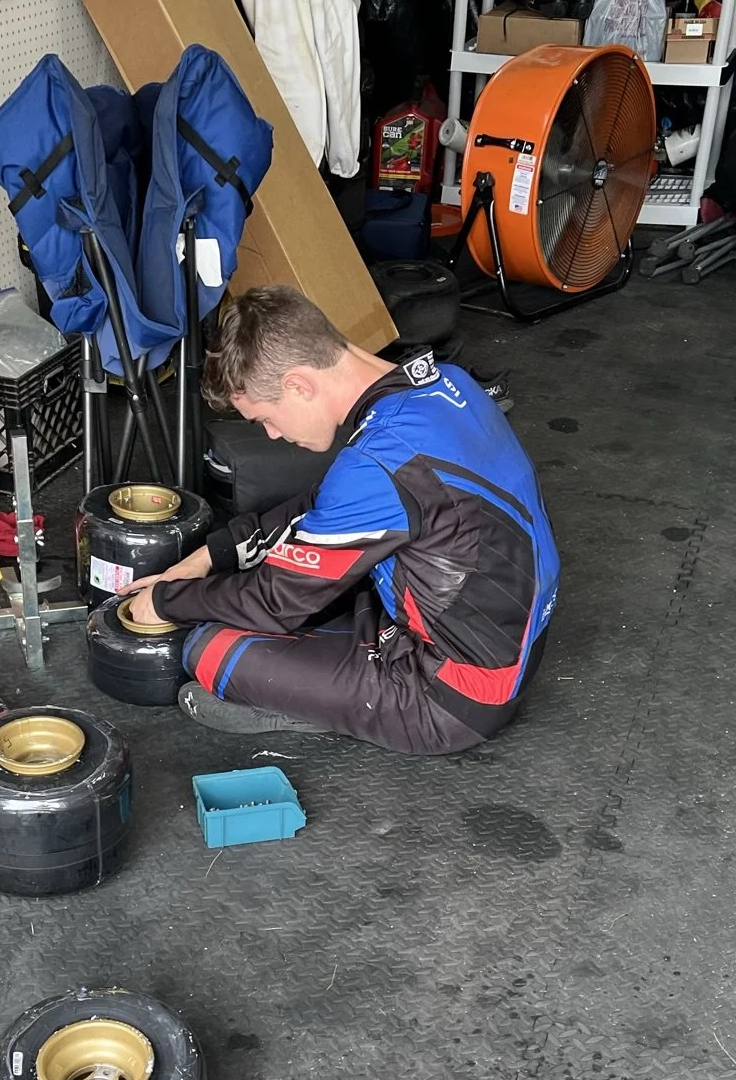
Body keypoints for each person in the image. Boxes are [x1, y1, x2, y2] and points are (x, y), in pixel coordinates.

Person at [125, 285, 558, 756]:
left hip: (453, 698)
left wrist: (167, 601)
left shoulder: (378, 463)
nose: (272, 434)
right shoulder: (445, 382)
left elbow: (276, 603)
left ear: (297, 385)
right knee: (291, 585)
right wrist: (213, 554)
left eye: (265, 418)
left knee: (206, 649)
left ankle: (336, 712)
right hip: (511, 641)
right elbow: (324, 503)